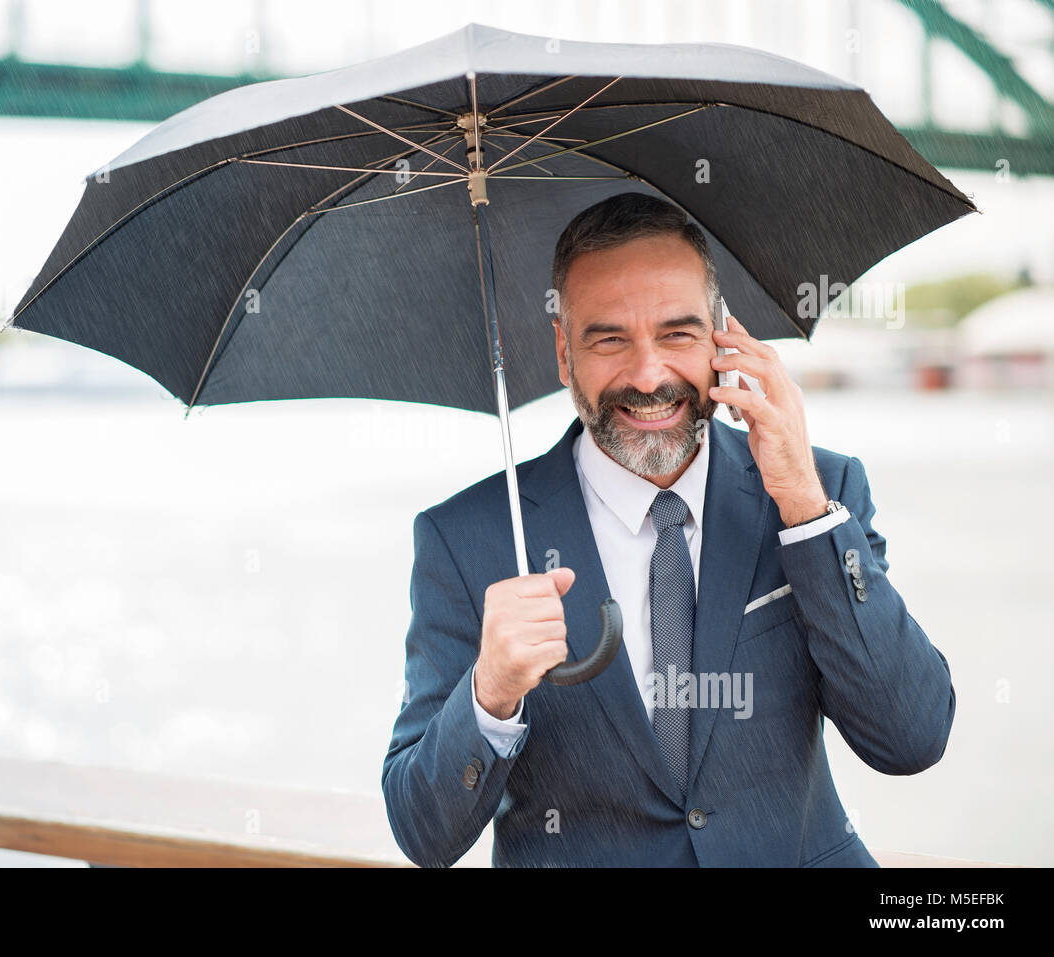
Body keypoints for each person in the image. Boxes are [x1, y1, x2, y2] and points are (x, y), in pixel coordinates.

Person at [381, 192, 956, 867]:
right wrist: (491, 691)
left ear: (722, 338)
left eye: (677, 334)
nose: (649, 375)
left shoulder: (818, 492)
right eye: (609, 339)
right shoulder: (467, 539)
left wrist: (804, 503)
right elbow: (423, 833)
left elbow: (911, 737)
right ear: (564, 354)